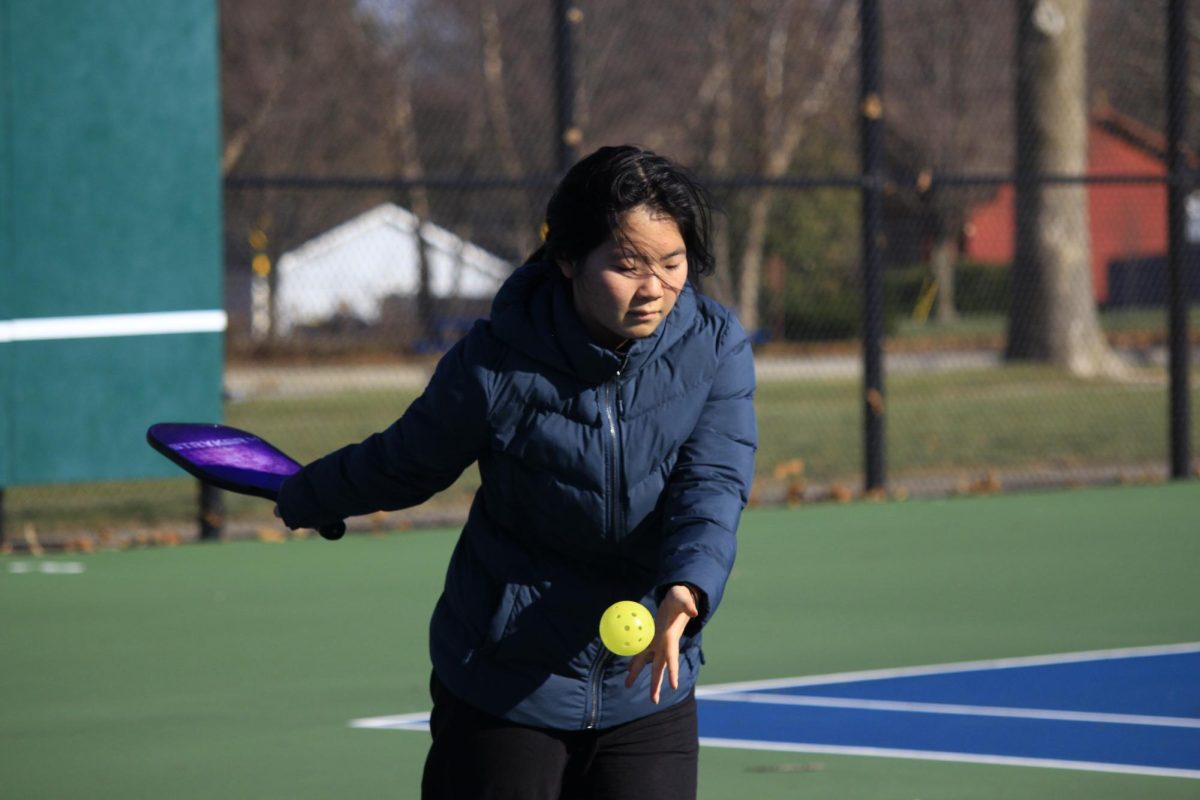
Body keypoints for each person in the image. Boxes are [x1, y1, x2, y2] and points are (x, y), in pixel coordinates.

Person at [276, 145, 757, 799]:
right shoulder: (496, 360)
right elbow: (406, 461)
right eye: (626, 265)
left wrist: (688, 588)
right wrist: (307, 492)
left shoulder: (715, 344)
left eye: (672, 264)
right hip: (500, 685)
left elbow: (714, 482)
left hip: (646, 681)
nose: (654, 288)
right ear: (567, 260)